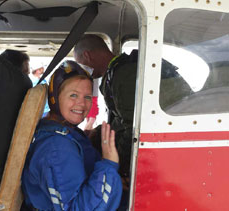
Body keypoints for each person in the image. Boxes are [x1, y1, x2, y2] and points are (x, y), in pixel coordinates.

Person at [74, 34, 192, 209]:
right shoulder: (117, 71)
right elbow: (122, 120)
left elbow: (134, 128)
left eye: (83, 64)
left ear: (87, 56)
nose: (85, 70)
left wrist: (119, 169)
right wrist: (97, 134)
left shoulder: (125, 73)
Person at [22, 60, 122, 210]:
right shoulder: (56, 147)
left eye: (87, 97)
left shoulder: (65, 132)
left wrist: (116, 180)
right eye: (73, 95)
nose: (81, 103)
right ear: (55, 97)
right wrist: (109, 165)